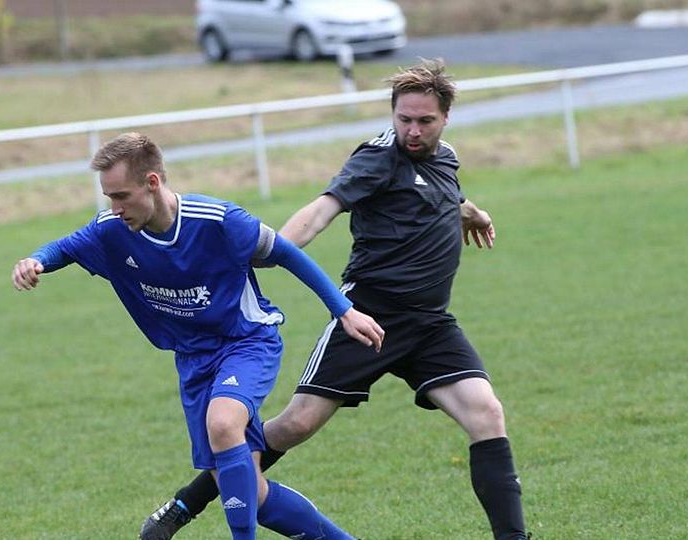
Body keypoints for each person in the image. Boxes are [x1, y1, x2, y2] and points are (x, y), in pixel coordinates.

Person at [141, 59, 527, 540]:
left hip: (430, 324)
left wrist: (472, 211)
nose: (411, 130)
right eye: (403, 118)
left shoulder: (444, 156)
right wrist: (271, 248)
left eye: (424, 121)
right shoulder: (377, 159)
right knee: (294, 425)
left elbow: (441, 193)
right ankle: (184, 504)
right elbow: (323, 209)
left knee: (487, 413)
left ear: (445, 117)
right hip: (368, 316)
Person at [11, 132, 385, 540]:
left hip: (246, 342)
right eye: (108, 198)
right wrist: (36, 261)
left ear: (152, 183)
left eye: (121, 196)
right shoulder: (112, 230)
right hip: (193, 360)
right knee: (247, 492)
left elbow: (288, 253)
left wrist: (343, 310)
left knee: (223, 424)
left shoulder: (218, 221)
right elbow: (64, 248)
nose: (114, 208)